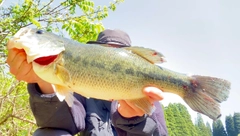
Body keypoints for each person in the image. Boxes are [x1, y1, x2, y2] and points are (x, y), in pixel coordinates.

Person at [7, 29, 168, 136]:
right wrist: (45, 80)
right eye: (105, 53)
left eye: (117, 56)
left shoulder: (146, 93)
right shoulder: (82, 88)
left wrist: (135, 120)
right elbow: (60, 125)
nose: (110, 62)